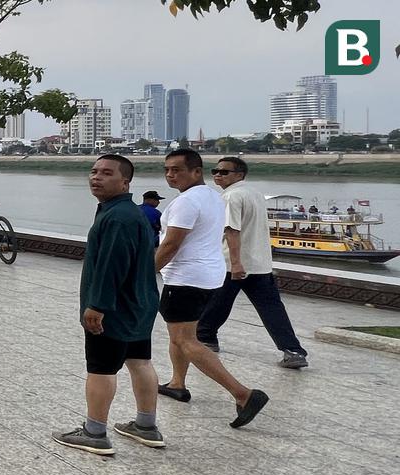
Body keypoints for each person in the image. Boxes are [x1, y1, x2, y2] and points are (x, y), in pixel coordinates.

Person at [53, 155, 162, 456]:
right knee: (139, 361)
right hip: (139, 305)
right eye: (93, 172)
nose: (96, 177)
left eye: (106, 173)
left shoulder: (118, 217)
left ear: (125, 182)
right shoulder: (126, 212)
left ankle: (95, 431)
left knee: (101, 369)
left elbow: (111, 265)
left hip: (115, 309)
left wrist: (97, 305)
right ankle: (146, 425)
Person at [155, 149, 268, 428]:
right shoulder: (213, 197)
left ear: (196, 171)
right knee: (180, 335)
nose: (171, 175)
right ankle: (177, 383)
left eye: (177, 170)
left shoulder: (187, 202)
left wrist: (146, 272)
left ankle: (243, 394)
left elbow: (171, 244)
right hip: (207, 275)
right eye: (167, 169)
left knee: (185, 340)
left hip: (185, 277)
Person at [198, 157, 309, 369]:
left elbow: (232, 230)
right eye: (215, 171)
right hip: (260, 263)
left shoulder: (231, 196)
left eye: (224, 172)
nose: (218, 175)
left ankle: (206, 338)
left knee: (217, 303)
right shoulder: (255, 193)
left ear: (239, 174)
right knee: (271, 308)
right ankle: (292, 350)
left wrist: (237, 263)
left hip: (234, 263)